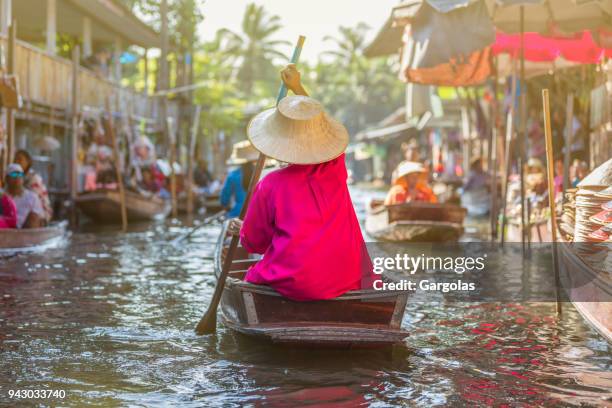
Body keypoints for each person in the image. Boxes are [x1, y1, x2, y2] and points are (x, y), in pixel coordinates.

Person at [227, 64, 373, 301]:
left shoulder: (269, 184)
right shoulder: (335, 169)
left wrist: (241, 229)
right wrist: (297, 87)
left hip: (294, 282)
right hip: (348, 279)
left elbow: (254, 244)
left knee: (253, 276)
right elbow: (319, 127)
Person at [220, 141, 258, 218]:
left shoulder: (233, 175)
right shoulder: (262, 174)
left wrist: (226, 206)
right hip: (257, 215)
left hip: (238, 214)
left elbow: (224, 199)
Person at [14, 149, 53, 222]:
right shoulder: (18, 176)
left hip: (40, 215)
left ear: (28, 162)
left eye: (20, 160)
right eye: (15, 160)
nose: (16, 162)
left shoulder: (33, 178)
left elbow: (33, 203)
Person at [4, 164, 45, 229]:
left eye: (20, 175)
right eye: (14, 175)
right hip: (5, 231)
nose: (17, 177)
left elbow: (40, 220)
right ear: (7, 179)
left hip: (26, 233)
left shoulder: (32, 197)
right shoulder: (2, 196)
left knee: (33, 216)